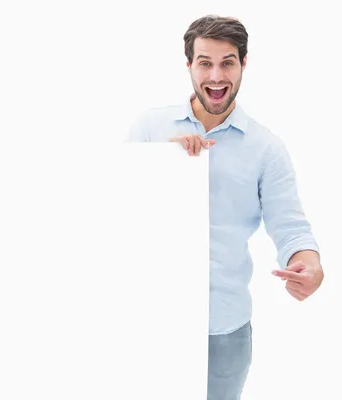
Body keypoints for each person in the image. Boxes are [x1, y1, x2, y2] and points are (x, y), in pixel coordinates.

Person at [126, 15, 324, 400]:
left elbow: (292, 228)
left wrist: (310, 265)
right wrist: (161, 163)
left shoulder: (267, 148)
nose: (216, 75)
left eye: (227, 62)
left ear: (244, 64)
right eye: (205, 62)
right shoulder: (149, 129)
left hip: (224, 331)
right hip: (147, 320)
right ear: (189, 66)